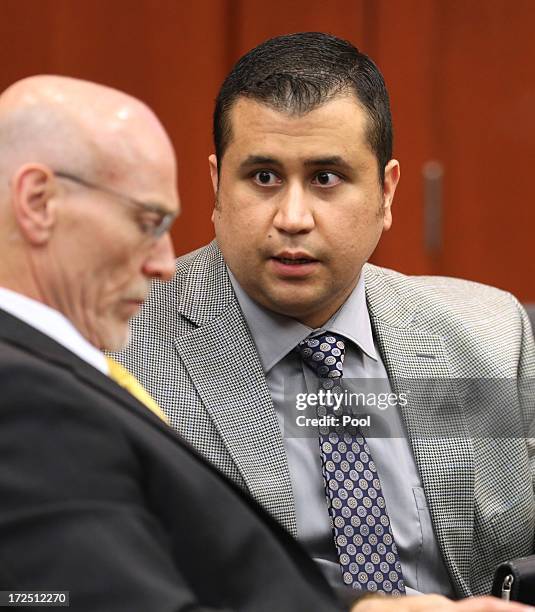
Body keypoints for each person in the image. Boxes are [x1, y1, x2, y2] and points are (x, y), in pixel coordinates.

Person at [114, 32, 535, 609]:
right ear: (215, 184)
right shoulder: (120, 346)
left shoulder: (491, 331)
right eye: (263, 177)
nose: (292, 218)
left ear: (387, 193)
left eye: (326, 178)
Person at [0, 74, 362, 612]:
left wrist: (364, 607)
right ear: (38, 201)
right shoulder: (22, 392)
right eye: (148, 222)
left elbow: (162, 568)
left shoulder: (44, 364)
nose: (164, 263)